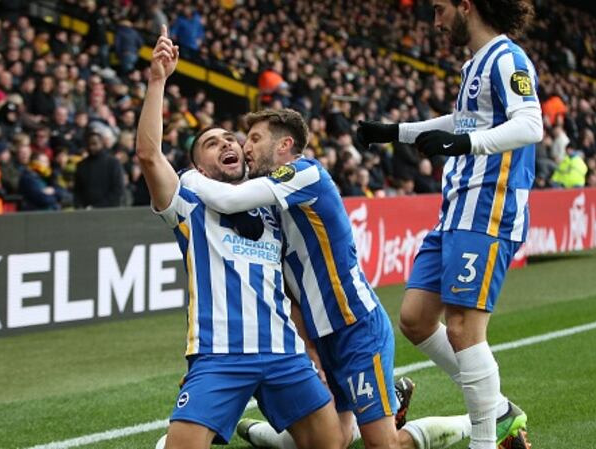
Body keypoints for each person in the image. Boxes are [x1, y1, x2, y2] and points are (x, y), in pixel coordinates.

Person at [180, 109, 473, 449]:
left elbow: (227, 198)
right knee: (338, 438)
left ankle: (482, 420)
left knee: (383, 444)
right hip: (323, 336)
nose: (246, 146)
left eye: (256, 139)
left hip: (355, 327)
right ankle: (386, 397)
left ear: (284, 144)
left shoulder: (304, 173)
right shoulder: (268, 204)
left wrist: (189, 177)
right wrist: (307, 347)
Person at [138, 27, 342, 449]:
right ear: (198, 166)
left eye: (230, 139)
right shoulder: (187, 202)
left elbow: (288, 290)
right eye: (212, 144)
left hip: (284, 353)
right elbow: (149, 155)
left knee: (332, 443)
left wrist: (311, 350)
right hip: (220, 355)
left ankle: (263, 433)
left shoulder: (271, 205)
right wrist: (157, 81)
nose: (227, 144)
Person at [357, 1, 542, 448]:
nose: (435, 22)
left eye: (440, 10)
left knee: (462, 327)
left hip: (489, 208)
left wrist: (466, 142)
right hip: (456, 210)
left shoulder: (507, 58)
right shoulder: (473, 65)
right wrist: (395, 132)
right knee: (416, 319)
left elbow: (531, 125)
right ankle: (497, 410)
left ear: (467, 5)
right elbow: (462, 122)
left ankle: (485, 441)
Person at [73, 128, 125, 209]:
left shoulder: (113, 163)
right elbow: (77, 190)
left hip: (109, 211)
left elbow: (118, 190)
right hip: (86, 212)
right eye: (89, 144)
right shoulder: (81, 165)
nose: (91, 147)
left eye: (94, 144)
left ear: (102, 143)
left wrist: (97, 207)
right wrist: (81, 206)